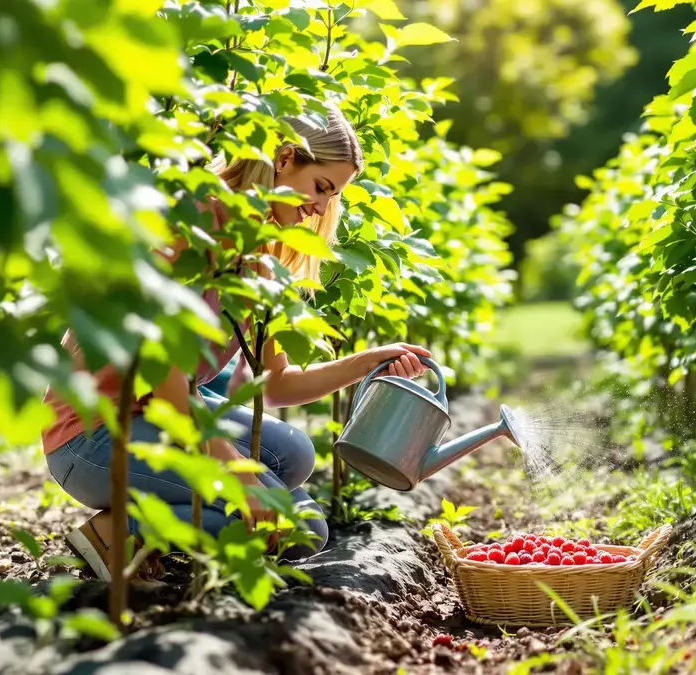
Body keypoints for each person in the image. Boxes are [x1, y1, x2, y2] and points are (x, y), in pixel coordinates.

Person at [39, 102, 433, 581]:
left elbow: (278, 386)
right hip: (93, 435)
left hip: (161, 419)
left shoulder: (257, 256)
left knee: (293, 455)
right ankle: (120, 532)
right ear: (285, 158)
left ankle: (176, 514)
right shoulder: (196, 222)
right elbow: (162, 375)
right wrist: (236, 471)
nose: (322, 208)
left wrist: (370, 361)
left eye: (334, 197)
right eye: (322, 188)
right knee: (300, 528)